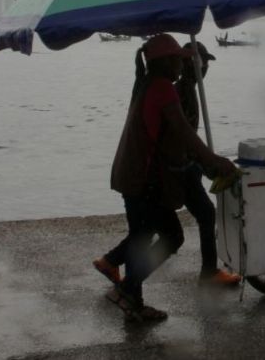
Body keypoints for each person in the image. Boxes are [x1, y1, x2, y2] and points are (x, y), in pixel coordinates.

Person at [94, 34, 237, 323]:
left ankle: (128, 292)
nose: (181, 65)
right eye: (177, 59)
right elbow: (184, 135)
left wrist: (206, 163)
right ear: (163, 62)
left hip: (131, 175)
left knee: (143, 236)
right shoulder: (163, 89)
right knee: (168, 235)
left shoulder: (151, 84)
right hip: (140, 180)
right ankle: (128, 291)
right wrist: (216, 161)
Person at [175, 41, 241, 285]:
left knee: (199, 216)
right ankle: (209, 272)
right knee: (204, 215)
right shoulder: (184, 91)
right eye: (205, 64)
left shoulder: (187, 89)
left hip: (186, 165)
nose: (207, 69)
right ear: (194, 65)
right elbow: (185, 137)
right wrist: (207, 162)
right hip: (180, 168)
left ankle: (114, 261)